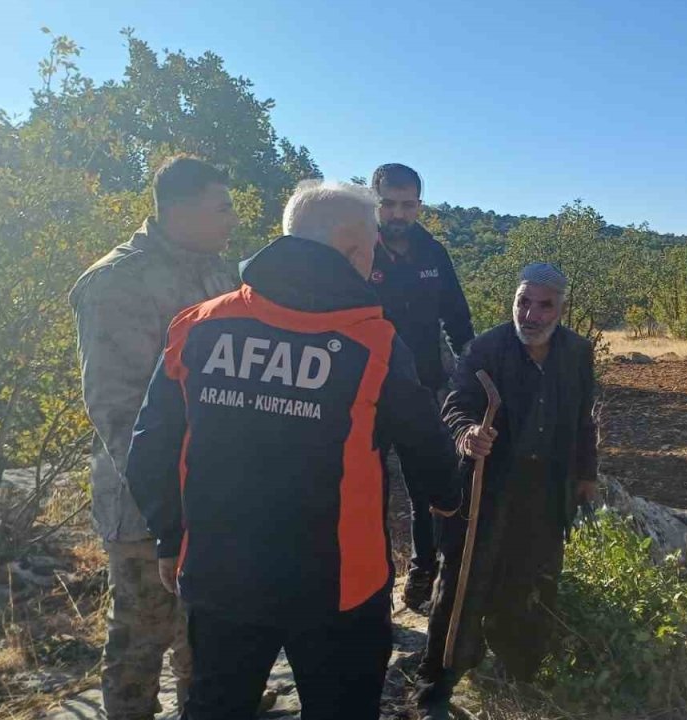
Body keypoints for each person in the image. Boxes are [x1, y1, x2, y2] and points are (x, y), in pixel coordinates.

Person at [125, 182, 462, 720]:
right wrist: (448, 501)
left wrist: (171, 535)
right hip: (340, 586)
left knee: (216, 707)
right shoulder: (373, 341)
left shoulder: (199, 325)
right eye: (371, 247)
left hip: (220, 575)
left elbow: (149, 447)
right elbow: (426, 445)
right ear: (354, 249)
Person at [70, 156, 239, 719]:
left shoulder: (219, 272)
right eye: (222, 207)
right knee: (142, 641)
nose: (232, 219)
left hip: (214, 496)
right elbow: (116, 411)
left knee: (207, 638)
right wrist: (171, 505)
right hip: (146, 505)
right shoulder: (117, 281)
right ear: (180, 210)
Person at [414, 263, 598, 720]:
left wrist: (585, 476)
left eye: (544, 305)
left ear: (561, 308)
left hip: (545, 489)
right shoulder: (486, 348)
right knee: (462, 583)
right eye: (523, 302)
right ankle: (437, 684)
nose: (531, 314)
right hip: (486, 488)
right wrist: (468, 435)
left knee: (530, 580)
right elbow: (456, 406)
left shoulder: (576, 351)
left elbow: (583, 420)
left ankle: (520, 675)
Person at [369, 163, 475, 612]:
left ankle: (421, 572)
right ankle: (372, 582)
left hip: (422, 388)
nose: (398, 213)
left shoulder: (433, 253)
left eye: (407, 205)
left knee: (426, 486)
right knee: (367, 490)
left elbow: (456, 318)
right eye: (389, 204)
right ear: (373, 202)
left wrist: (474, 370)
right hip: (365, 393)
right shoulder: (355, 249)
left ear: (419, 205)